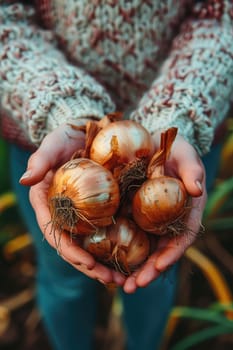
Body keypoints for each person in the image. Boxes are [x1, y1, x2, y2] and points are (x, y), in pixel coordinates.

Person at [1, 1, 233, 349]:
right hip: (49, 139)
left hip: (186, 136)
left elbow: (222, 17)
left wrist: (180, 111)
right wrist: (61, 106)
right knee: (62, 273)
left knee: (154, 274)